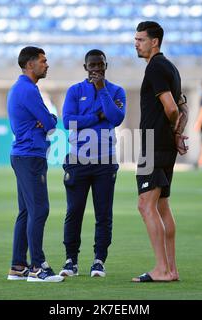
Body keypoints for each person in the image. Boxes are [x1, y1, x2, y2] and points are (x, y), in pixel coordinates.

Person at [58, 49, 126, 278]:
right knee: (74, 211)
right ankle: (71, 260)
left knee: (103, 214)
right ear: (85, 67)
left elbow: (116, 118)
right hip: (78, 160)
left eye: (101, 65)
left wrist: (101, 91)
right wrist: (97, 117)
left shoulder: (116, 91)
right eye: (92, 65)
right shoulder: (75, 91)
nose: (96, 69)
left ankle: (99, 260)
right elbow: (69, 122)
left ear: (106, 66)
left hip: (105, 161)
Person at [132, 21, 189, 282]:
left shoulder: (155, 67)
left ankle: (162, 270)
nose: (136, 43)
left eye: (141, 39)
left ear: (154, 42)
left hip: (153, 143)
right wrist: (176, 134)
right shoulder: (170, 67)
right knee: (162, 205)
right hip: (164, 144)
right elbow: (182, 106)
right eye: (136, 39)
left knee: (146, 204)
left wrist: (169, 127)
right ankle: (172, 269)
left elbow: (172, 108)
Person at [6, 46, 64, 282]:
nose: (46, 64)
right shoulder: (28, 90)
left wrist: (47, 120)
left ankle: (18, 266)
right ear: (30, 64)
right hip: (30, 155)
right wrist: (49, 120)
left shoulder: (20, 88)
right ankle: (38, 268)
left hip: (23, 154)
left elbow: (47, 121)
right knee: (39, 209)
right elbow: (50, 123)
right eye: (43, 60)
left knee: (27, 211)